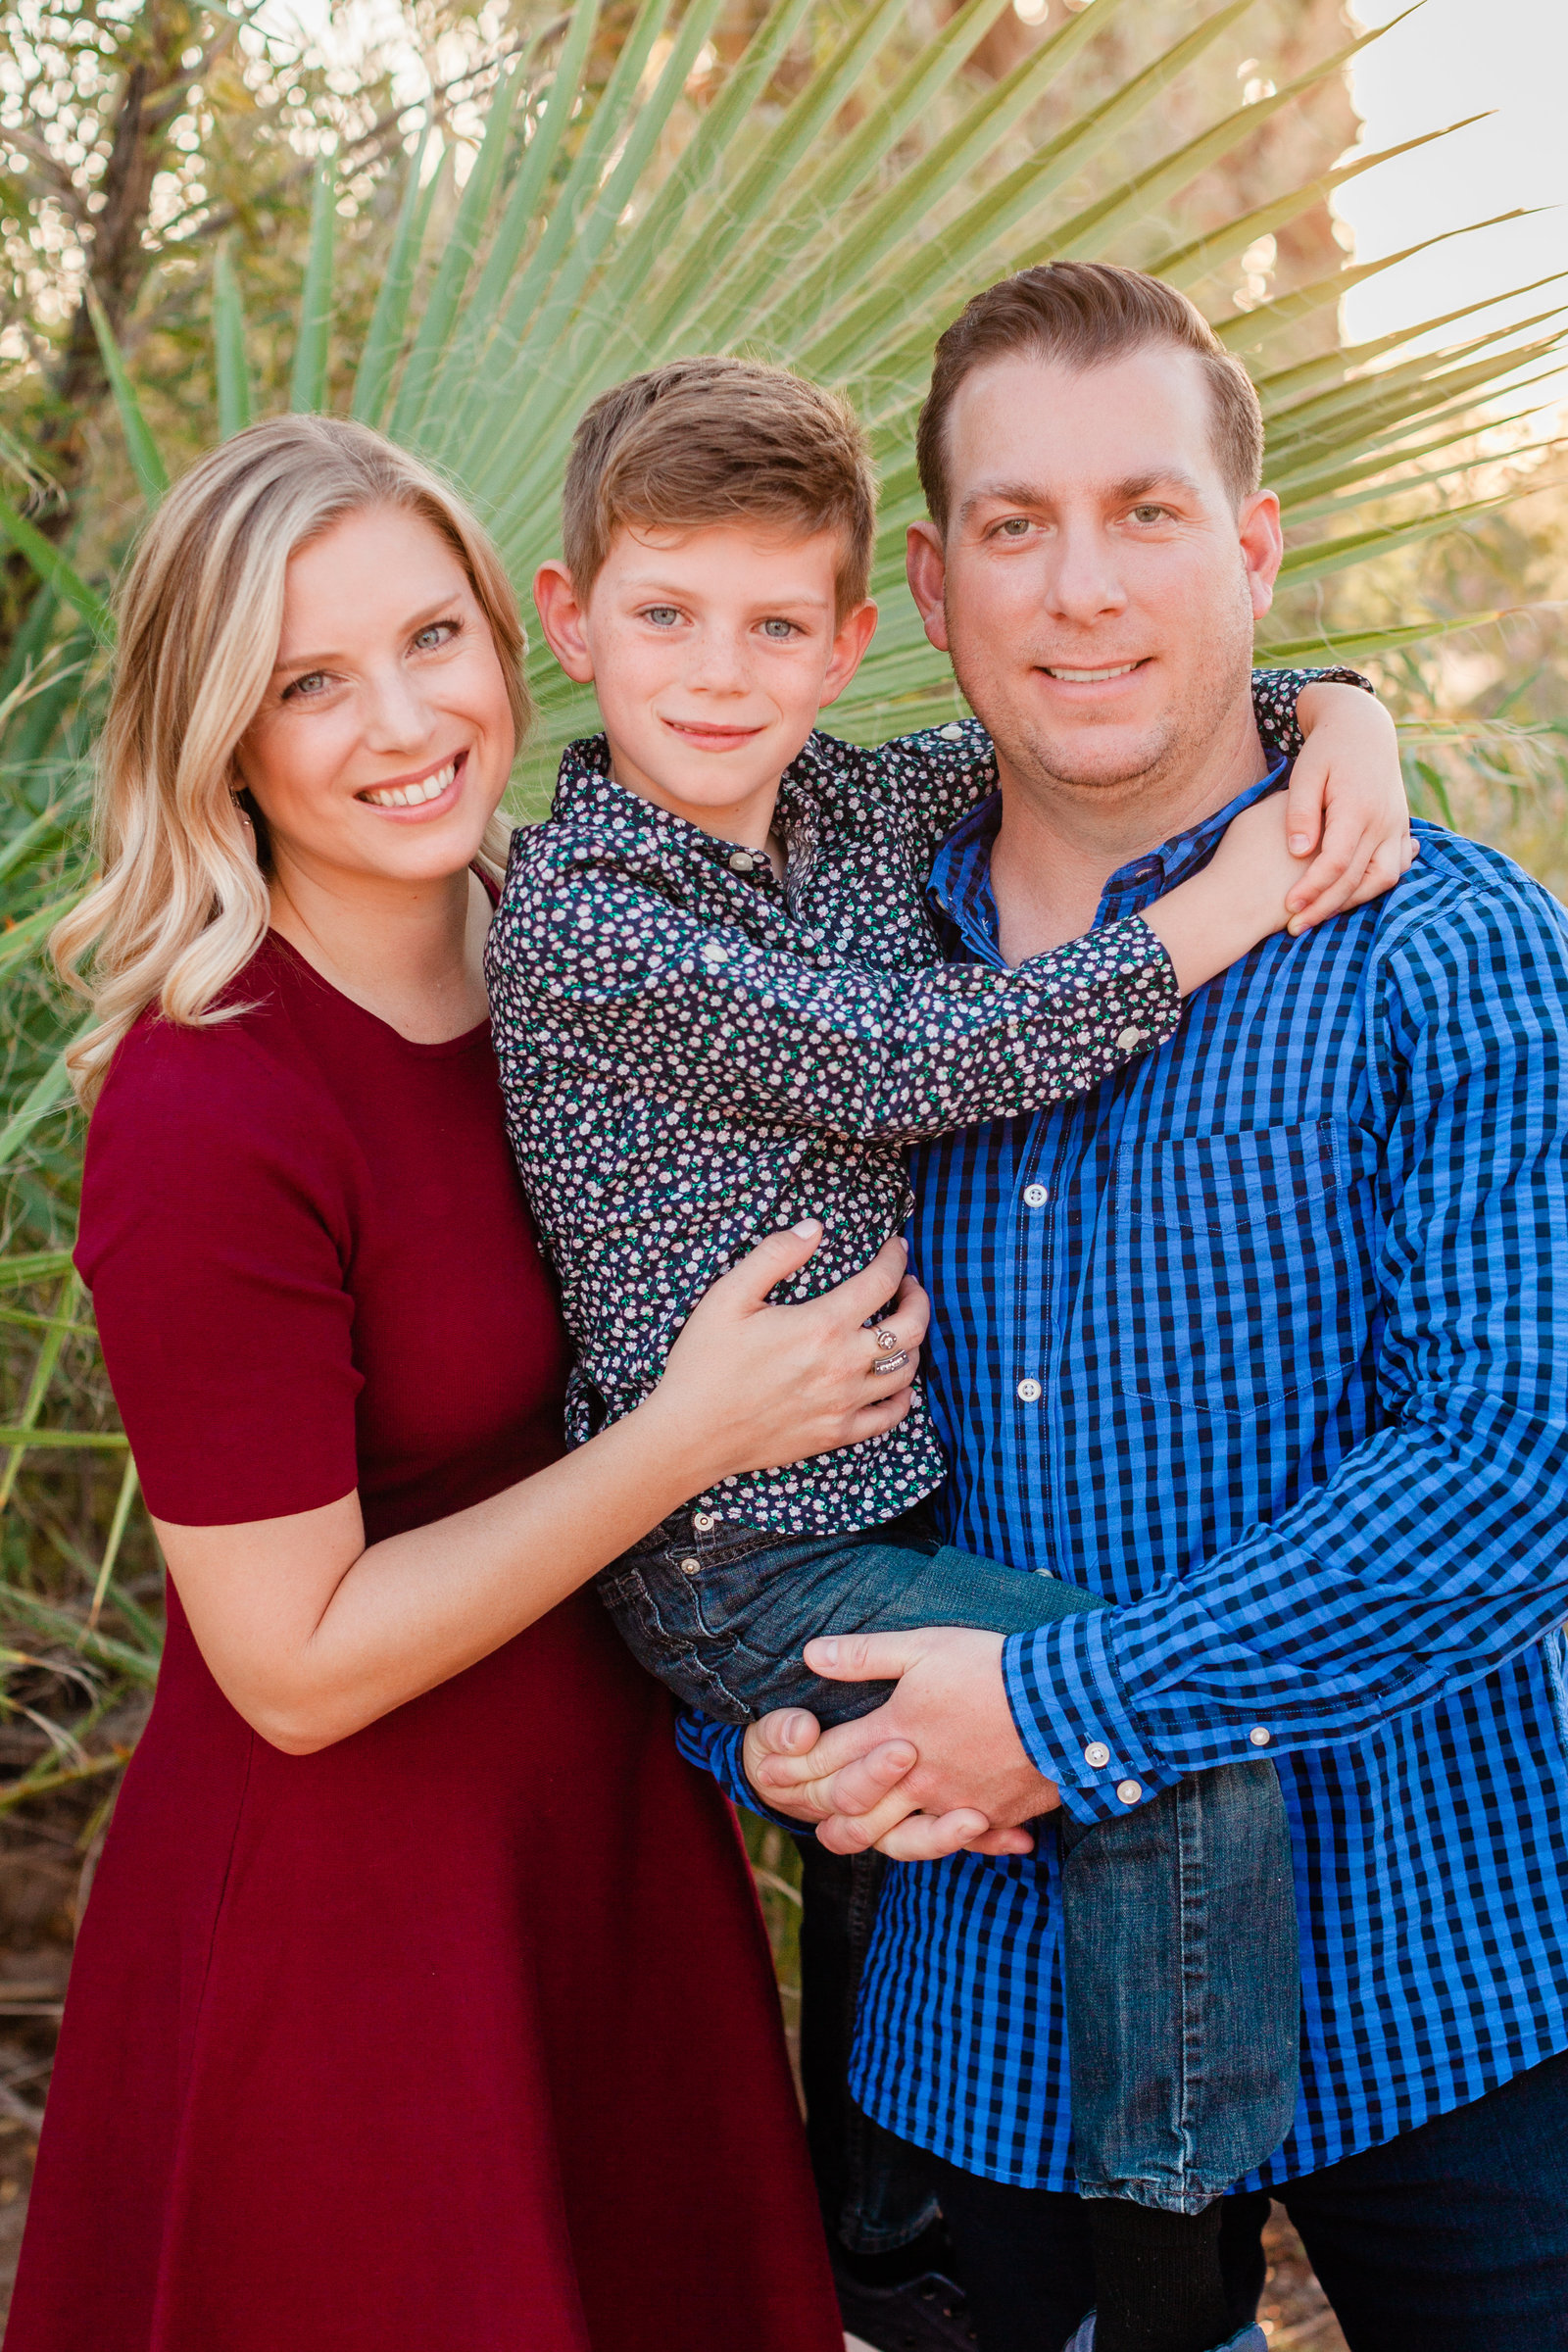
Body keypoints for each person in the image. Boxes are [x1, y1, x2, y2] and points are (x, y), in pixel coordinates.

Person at [483, 355, 1412, 2352]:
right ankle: (1175, 2289)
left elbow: (1111, 713)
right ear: (570, 622)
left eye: (766, 626)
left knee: (1067, 1760)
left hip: (861, 1508)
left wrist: (1342, 708)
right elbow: (919, 1059)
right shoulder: (581, 917)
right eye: (659, 617)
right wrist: (1233, 905)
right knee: (1154, 1760)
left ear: (844, 637)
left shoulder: (849, 804)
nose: (713, 675)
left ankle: (1005, 2262)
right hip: (738, 1556)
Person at [5, 413, 927, 2352]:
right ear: (221, 737)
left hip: (608, 1863)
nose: (399, 719)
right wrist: (693, 1434)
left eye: (430, 640)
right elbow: (295, 1661)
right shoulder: (210, 1097)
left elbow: (1008, 783)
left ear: (519, 640)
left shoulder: (584, 942)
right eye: (307, 682)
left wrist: (1328, 719)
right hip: (356, 1946)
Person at [724, 264, 1568, 2352]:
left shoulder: (1439, 951)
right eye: (1014, 526)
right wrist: (752, 1721)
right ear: (926, 581)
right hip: (983, 2007)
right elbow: (671, 1376)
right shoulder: (807, 980)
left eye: (1147, 513)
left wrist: (1051, 1711)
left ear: (1252, 545)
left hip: (1438, 1972)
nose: (1078, 589)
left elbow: (1505, 1466)